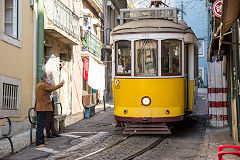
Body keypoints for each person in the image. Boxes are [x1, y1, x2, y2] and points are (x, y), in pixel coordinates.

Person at [35, 73, 64, 148]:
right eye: (48, 78)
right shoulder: (43, 85)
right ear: (44, 79)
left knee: (41, 125)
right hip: (42, 108)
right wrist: (61, 84)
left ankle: (41, 141)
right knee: (41, 125)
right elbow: (52, 88)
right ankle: (38, 143)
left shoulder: (39, 85)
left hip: (40, 108)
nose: (49, 80)